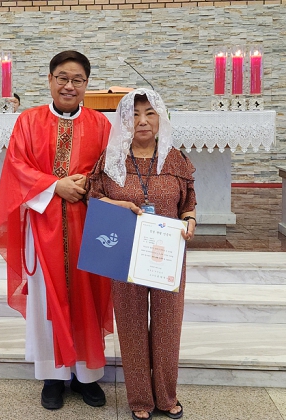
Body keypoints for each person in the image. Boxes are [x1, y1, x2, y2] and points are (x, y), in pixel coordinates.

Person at [0, 51, 114, 411]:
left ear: (86, 84)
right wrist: (55, 186)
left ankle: (87, 375)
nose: (69, 86)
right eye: (62, 78)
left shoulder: (101, 125)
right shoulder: (28, 121)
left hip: (87, 226)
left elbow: (111, 171)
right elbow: (16, 167)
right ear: (49, 80)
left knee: (87, 295)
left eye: (77, 80)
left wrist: (87, 186)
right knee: (46, 298)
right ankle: (53, 376)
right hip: (43, 226)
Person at [87, 88, 196, 420]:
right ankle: (139, 399)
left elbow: (188, 203)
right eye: (134, 114)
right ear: (123, 121)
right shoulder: (112, 159)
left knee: (167, 325)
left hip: (166, 254)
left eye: (149, 113)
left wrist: (190, 221)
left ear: (161, 118)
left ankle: (166, 396)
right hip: (124, 251)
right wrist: (117, 204)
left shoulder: (175, 159)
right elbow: (93, 197)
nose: (142, 121)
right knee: (131, 324)